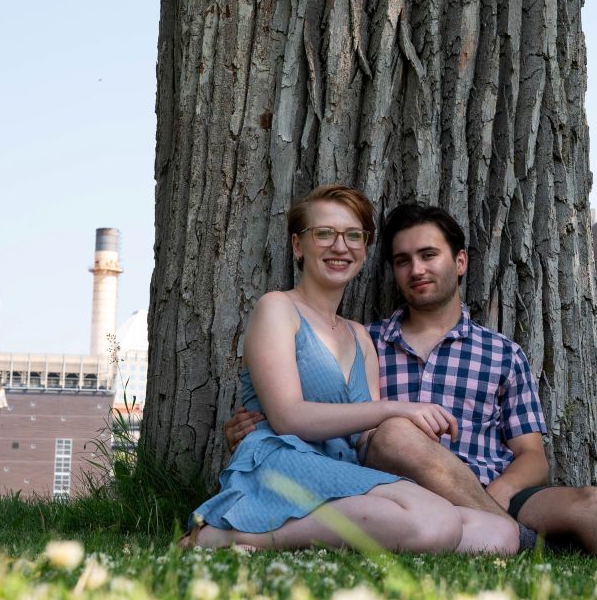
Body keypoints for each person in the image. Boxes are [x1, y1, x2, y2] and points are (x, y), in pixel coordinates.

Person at [228, 201, 597, 561]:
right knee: (397, 434)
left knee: (586, 498)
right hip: (401, 490)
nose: (416, 270)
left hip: (494, 492)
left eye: (429, 255)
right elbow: (320, 407)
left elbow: (532, 456)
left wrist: (495, 494)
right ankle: (527, 548)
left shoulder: (502, 354)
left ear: (460, 261)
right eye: (402, 261)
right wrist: (258, 426)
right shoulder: (365, 340)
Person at [185, 185, 519, 555]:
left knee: (498, 535)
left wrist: (415, 444)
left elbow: (365, 438)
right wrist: (397, 408)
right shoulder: (278, 309)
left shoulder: (361, 337)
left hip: (341, 470)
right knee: (435, 521)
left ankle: (318, 537)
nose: (340, 246)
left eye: (353, 236)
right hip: (285, 462)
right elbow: (287, 418)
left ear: (364, 248)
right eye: (324, 233)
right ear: (298, 246)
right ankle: (227, 536)